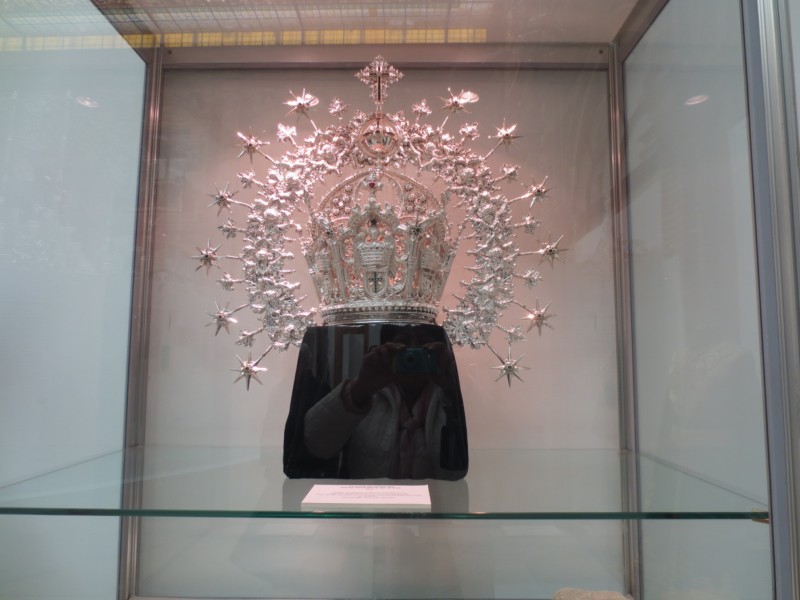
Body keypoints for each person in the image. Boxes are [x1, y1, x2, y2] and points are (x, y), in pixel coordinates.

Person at [301, 324, 468, 480]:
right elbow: (317, 444)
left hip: (442, 501)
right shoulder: (369, 392)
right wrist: (359, 390)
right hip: (372, 501)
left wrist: (455, 393)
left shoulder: (449, 392)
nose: (412, 350)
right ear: (386, 349)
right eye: (402, 343)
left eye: (425, 343)